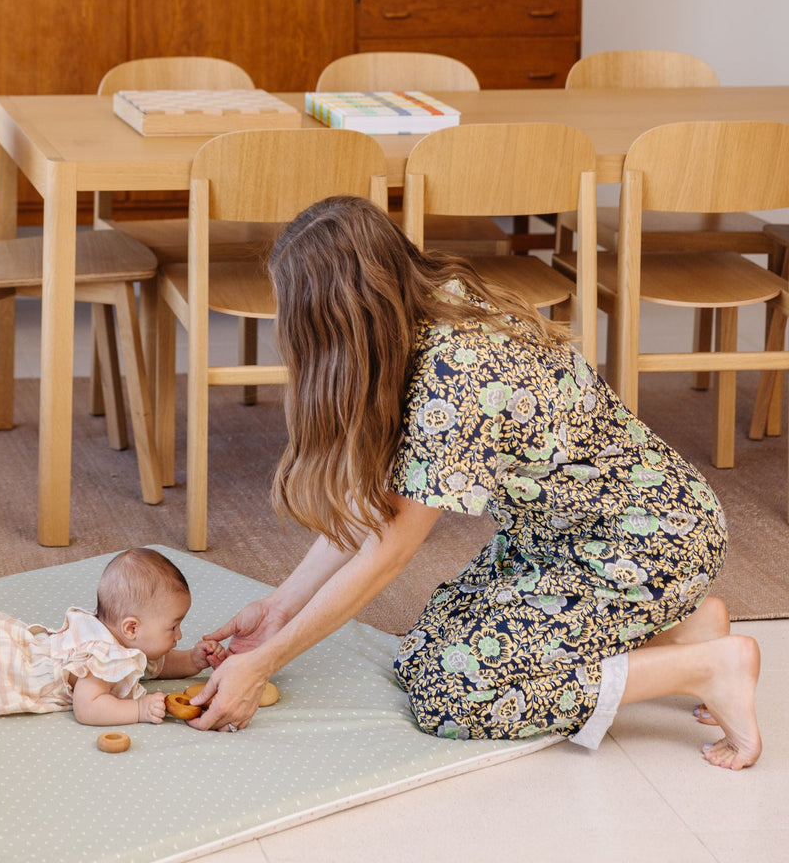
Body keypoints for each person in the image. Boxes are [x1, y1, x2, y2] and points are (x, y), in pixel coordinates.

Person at [188, 196, 761, 770]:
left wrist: (264, 663)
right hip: (574, 535)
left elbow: (389, 552)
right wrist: (280, 608)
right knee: (422, 654)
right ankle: (687, 628)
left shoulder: (453, 380)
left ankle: (711, 666)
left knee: (453, 695)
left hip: (643, 544)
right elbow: (379, 507)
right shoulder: (433, 305)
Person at [0, 547, 226, 724]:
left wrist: (194, 660)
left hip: (4, 641)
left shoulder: (114, 639)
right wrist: (138, 709)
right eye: (173, 627)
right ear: (132, 628)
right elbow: (88, 706)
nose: (179, 634)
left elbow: (156, 666)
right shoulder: (104, 658)